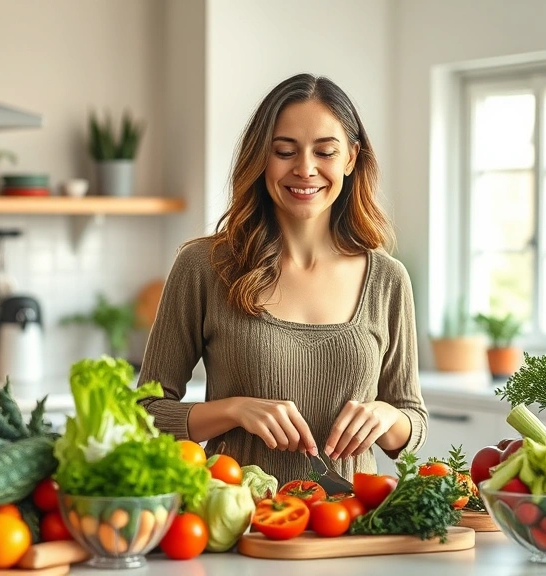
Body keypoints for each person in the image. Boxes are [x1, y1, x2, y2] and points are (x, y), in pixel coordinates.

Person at [139, 73, 426, 484]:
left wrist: (386, 416)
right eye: (284, 151)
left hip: (351, 531)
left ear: (350, 158)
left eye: (325, 152)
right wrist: (232, 410)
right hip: (238, 528)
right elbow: (143, 411)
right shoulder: (203, 266)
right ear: (261, 158)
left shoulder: (387, 279)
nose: (305, 169)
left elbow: (411, 422)